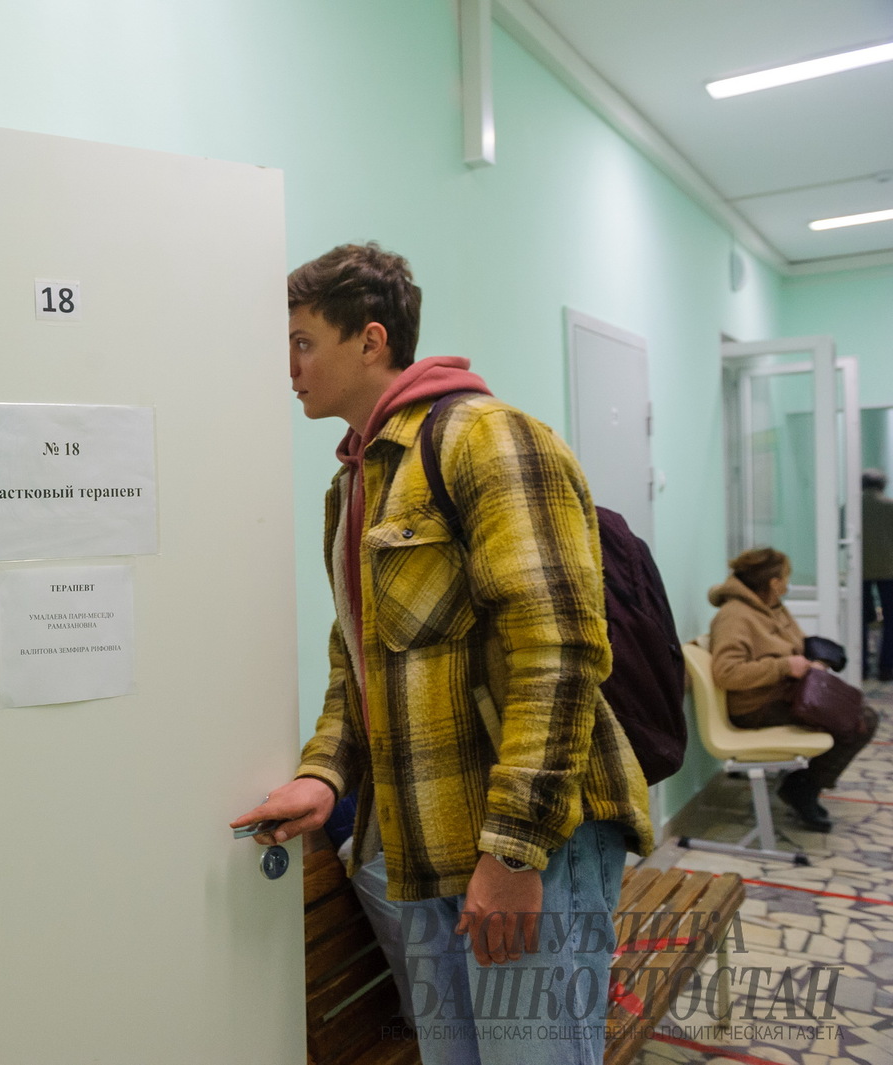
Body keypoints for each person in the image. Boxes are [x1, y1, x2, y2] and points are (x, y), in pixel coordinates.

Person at [231, 243, 653, 1065]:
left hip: (529, 841)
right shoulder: (355, 482)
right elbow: (358, 658)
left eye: (302, 341)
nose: (288, 365)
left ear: (371, 339)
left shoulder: (488, 439)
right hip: (421, 841)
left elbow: (559, 651)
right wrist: (325, 772)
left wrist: (514, 850)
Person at [708, 547, 878, 831]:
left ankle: (803, 785)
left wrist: (815, 660)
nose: (788, 584)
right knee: (861, 720)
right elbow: (726, 673)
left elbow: (795, 644)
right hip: (757, 707)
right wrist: (784, 666)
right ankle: (803, 788)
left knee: (856, 711)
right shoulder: (735, 616)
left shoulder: (771, 607)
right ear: (774, 582)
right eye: (786, 578)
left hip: (784, 694)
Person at [861, 469, 893, 681]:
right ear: (883, 485)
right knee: (890, 618)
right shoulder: (890, 506)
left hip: (859, 570)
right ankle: (886, 667)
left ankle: (861, 665)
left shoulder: (852, 507)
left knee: (861, 617)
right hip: (889, 569)